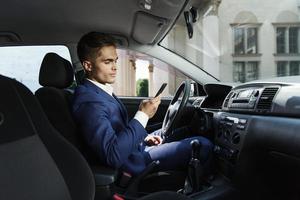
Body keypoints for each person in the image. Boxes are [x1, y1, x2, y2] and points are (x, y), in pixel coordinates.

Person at [72, 32, 213, 176]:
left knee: (180, 131)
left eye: (115, 60)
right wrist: (143, 114)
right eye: (107, 62)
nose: (115, 67)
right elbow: (112, 155)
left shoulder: (98, 89)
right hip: (134, 163)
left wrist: (144, 138)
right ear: (88, 65)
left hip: (136, 148)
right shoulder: (88, 102)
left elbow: (116, 128)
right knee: (203, 145)